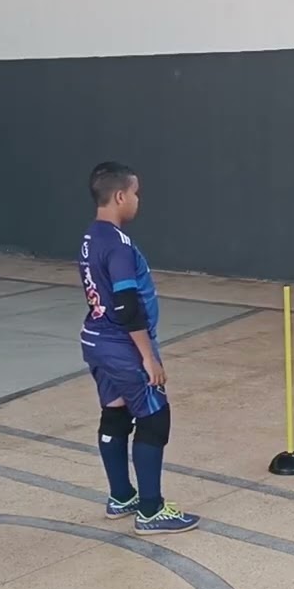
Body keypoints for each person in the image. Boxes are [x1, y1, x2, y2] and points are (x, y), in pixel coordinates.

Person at [77, 161, 199, 534]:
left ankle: (121, 496)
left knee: (115, 413)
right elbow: (126, 306)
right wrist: (148, 356)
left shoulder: (91, 237)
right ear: (119, 196)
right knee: (154, 418)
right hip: (121, 344)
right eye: (135, 193)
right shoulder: (118, 245)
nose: (137, 200)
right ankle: (151, 510)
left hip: (96, 339)